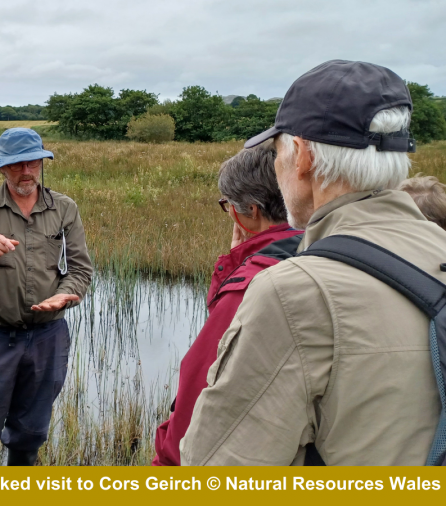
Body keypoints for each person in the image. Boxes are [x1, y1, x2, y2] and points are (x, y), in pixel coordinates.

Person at [181, 60, 446, 466]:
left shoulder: (294, 292)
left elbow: (217, 471)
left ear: (302, 156)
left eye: (277, 151)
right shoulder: (438, 246)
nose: (276, 165)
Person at [0, 128, 94, 466]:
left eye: (33, 163)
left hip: (48, 338)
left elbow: (80, 270)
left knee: (30, 435)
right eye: (16, 166)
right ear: (2, 168)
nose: (26, 172)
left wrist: (64, 296)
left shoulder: (64, 209)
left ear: (42, 163)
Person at [152, 145, 302, 466]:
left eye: (227, 205)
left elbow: (200, 383)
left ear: (251, 211)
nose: (228, 212)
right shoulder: (325, 248)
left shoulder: (249, 285)